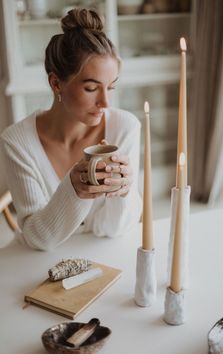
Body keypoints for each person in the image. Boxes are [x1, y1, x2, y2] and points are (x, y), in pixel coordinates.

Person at [0, 8, 142, 251]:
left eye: (111, 87)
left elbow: (114, 229)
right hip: (33, 265)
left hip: (102, 258)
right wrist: (74, 190)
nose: (106, 103)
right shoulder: (17, 141)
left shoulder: (125, 127)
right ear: (56, 83)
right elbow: (38, 239)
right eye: (91, 88)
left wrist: (124, 193)